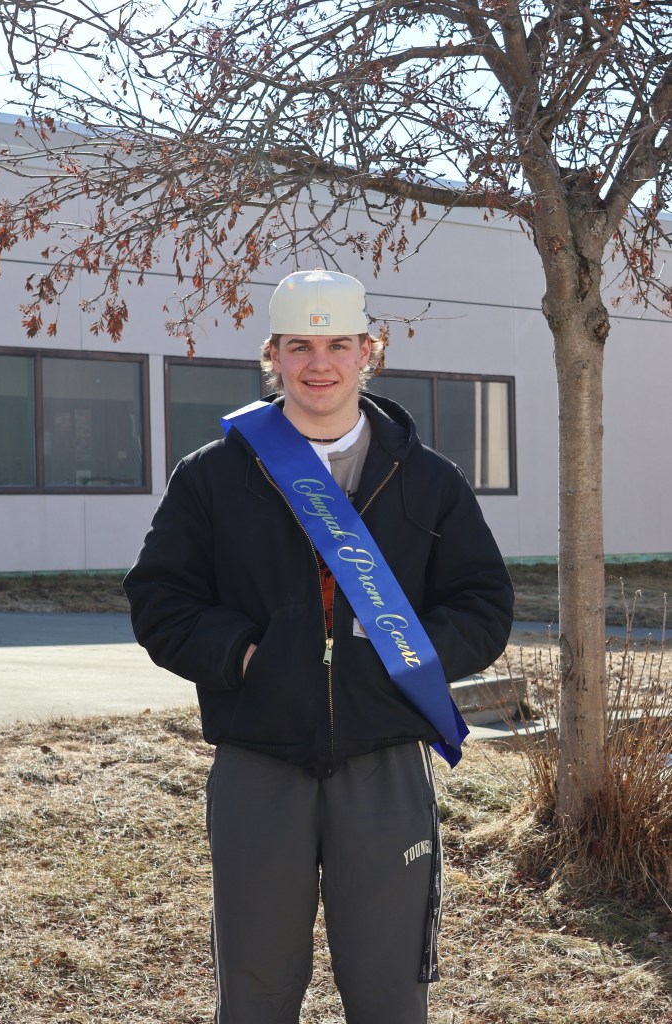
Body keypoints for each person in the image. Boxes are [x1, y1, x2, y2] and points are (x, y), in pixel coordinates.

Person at [123, 268, 514, 1024]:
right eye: (299, 345)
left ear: (370, 351)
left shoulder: (427, 479)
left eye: (338, 345)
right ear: (272, 355)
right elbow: (160, 600)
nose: (319, 364)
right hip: (258, 759)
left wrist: (403, 657)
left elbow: (483, 605)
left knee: (389, 991)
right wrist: (247, 658)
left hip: (384, 760)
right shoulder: (213, 475)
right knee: (256, 991)